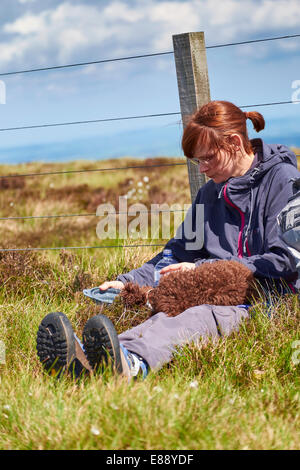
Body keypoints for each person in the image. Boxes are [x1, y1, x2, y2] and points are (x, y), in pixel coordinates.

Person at [36, 100, 300, 380]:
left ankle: (130, 365)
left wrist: (203, 271)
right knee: (171, 314)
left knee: (199, 315)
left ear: (234, 142)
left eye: (208, 158)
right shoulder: (209, 194)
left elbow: (289, 258)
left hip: (270, 298)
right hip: (213, 293)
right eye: (198, 161)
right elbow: (177, 254)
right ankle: (95, 362)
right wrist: (128, 281)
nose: (203, 169)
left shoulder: (285, 181)